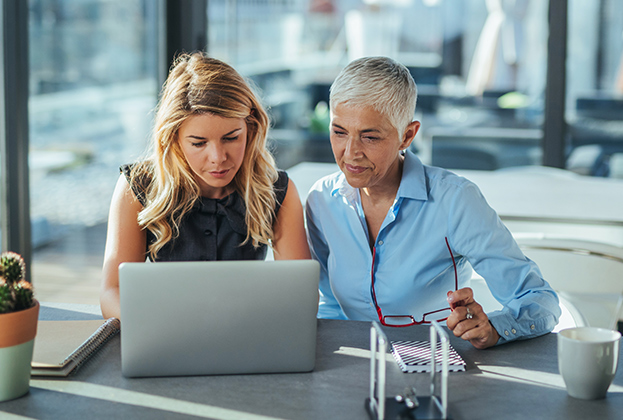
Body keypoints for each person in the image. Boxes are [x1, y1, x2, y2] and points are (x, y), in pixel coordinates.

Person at [305, 56, 561, 349]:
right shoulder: (322, 201)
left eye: (370, 137)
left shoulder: (455, 201)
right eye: (339, 132)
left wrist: (494, 328)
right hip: (355, 370)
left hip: (440, 371)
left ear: (407, 135)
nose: (350, 153)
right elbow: (330, 305)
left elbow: (541, 301)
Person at [101, 52, 310, 319]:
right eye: (198, 143)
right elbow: (112, 292)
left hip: (247, 337)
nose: (218, 158)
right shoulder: (137, 186)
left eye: (232, 138)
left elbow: (299, 293)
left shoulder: (276, 189)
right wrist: (153, 327)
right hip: (164, 339)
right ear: (174, 138)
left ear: (251, 127)